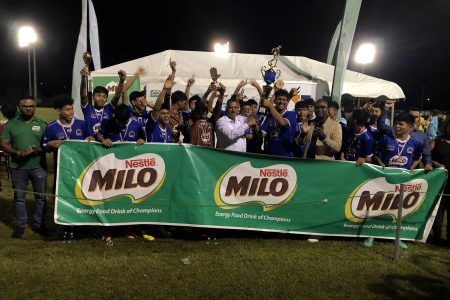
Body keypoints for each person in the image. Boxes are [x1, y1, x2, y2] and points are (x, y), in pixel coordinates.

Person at [367, 112, 426, 249]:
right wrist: (380, 163)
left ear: (410, 127)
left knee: (398, 211)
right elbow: (375, 153)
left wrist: (412, 167)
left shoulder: (415, 143)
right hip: (384, 179)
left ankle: (396, 236)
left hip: (402, 181)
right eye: (396, 123)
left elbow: (418, 157)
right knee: (378, 207)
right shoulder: (386, 139)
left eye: (401, 124)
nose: (397, 126)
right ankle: (372, 234)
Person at [0, 96, 47, 238]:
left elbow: (48, 144)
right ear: (19, 107)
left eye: (31, 106)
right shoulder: (11, 124)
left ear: (35, 107)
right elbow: (3, 143)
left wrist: (38, 149)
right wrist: (17, 152)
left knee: (41, 198)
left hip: (39, 167)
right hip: (18, 167)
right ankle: (21, 225)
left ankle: (39, 225)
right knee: (19, 198)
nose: (28, 108)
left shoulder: (43, 124)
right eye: (25, 106)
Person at [80, 67, 126, 137]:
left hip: (105, 144)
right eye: (98, 95)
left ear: (107, 98)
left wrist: (122, 81)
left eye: (104, 96)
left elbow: (117, 96)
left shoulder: (109, 109)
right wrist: (83, 77)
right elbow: (83, 95)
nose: (101, 98)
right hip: (90, 144)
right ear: (93, 97)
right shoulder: (88, 108)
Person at [429, 118, 450, 245]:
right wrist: (435, 163)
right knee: (438, 212)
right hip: (439, 183)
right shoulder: (436, 140)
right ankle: (435, 237)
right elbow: (425, 157)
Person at [260, 89, 298, 157]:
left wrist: (271, 106)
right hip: (269, 156)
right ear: (275, 101)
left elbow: (282, 123)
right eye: (279, 99)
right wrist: (256, 123)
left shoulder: (291, 114)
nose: (281, 102)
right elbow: (262, 134)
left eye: (284, 100)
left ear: (287, 102)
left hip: (285, 156)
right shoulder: (270, 116)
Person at [146, 75, 177, 143]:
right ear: (157, 115)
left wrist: (178, 144)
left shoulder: (168, 130)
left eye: (168, 113)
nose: (166, 115)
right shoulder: (152, 125)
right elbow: (157, 108)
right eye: (163, 113)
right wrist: (164, 89)